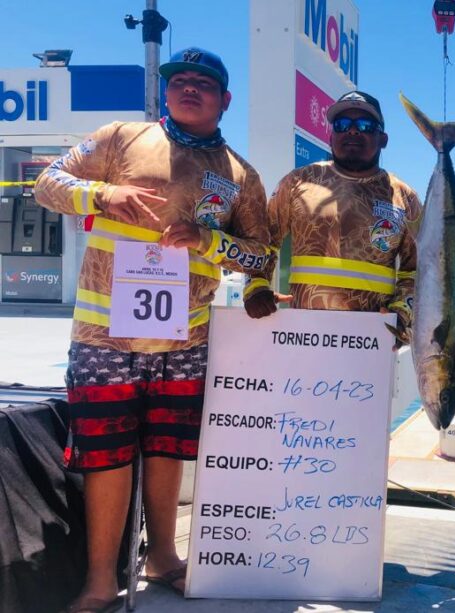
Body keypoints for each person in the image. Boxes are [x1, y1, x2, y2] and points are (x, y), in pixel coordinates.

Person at [34, 48, 272, 613]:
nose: (190, 88)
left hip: (185, 340)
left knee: (168, 450)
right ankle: (100, 578)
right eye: (179, 80)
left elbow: (260, 257)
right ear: (165, 92)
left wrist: (208, 241)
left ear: (225, 99)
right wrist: (102, 194)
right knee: (105, 454)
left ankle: (163, 556)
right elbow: (47, 182)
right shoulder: (120, 137)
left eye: (204, 83)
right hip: (102, 336)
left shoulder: (241, 175)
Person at [244, 90, 421, 344]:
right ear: (330, 137)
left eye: (364, 125)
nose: (352, 131)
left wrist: (402, 313)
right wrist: (256, 286)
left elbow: (416, 271)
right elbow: (263, 241)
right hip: (301, 337)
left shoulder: (405, 198)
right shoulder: (297, 182)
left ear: (383, 139)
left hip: (371, 343)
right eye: (342, 125)